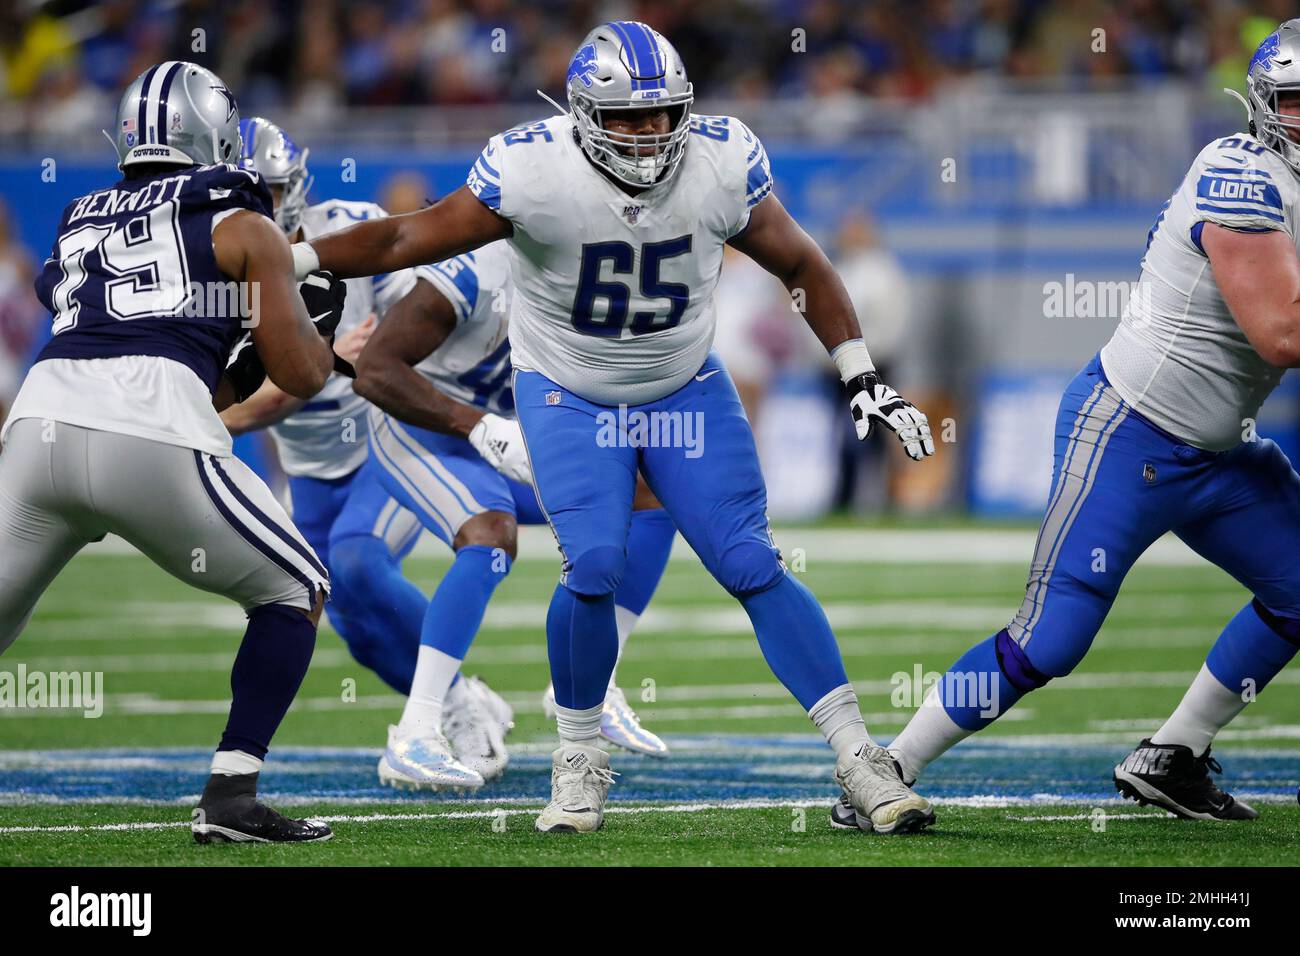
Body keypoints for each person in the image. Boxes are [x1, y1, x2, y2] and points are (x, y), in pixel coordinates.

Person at [290, 22, 936, 835]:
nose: (647, 134)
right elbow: (400, 236)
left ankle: (860, 757)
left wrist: (861, 375)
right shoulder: (533, 168)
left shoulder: (720, 159)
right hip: (569, 393)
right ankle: (578, 757)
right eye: (626, 118)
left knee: (752, 563)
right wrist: (299, 261)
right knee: (592, 563)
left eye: (662, 115)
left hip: (684, 387)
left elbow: (801, 261)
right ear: (583, 113)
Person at [877, 22, 1300, 826]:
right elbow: (1282, 332)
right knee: (1051, 641)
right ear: (1264, 108)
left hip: (1224, 452)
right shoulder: (1237, 171)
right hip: (1132, 433)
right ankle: (888, 764)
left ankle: (1174, 755)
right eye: (1299, 103)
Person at [0, 63, 343, 843]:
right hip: (147, 430)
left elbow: (130, 334)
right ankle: (231, 797)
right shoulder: (241, 219)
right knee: (295, 588)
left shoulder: (79, 215)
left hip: (39, 421)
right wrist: (302, 322)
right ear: (217, 136)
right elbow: (300, 374)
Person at [351, 238, 677, 789]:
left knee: (648, 495)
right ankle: (416, 729)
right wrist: (476, 425)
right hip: (422, 431)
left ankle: (597, 682)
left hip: (505, 433)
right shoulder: (473, 272)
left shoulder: (593, 263)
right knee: (490, 536)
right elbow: (375, 371)